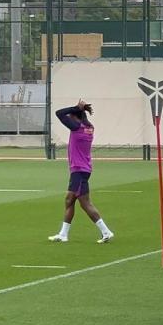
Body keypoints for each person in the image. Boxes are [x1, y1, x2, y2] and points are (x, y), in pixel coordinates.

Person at [48, 99, 115, 243]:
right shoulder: (89, 127)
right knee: (70, 201)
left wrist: (75, 107)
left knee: (83, 203)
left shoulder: (76, 128)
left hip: (78, 169)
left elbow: (59, 113)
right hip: (84, 168)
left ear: (75, 117)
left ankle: (106, 231)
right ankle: (63, 234)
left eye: (72, 116)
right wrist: (80, 109)